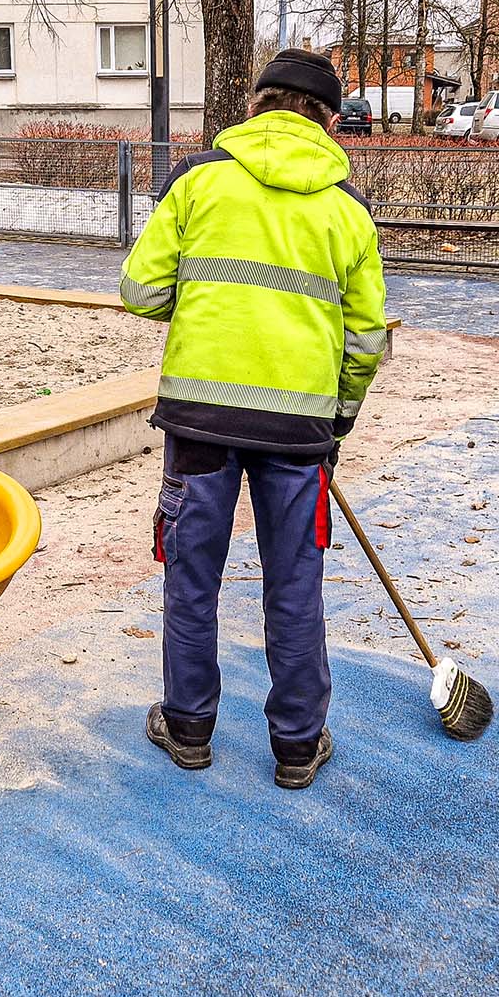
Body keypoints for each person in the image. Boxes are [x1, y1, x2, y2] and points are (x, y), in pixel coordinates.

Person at [119, 49, 387, 790]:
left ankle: (189, 727)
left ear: (255, 104)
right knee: (294, 582)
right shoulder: (347, 208)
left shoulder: (197, 181)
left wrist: (209, 301)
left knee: (191, 576)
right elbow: (365, 340)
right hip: (299, 433)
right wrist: (338, 421)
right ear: (330, 123)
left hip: (200, 423)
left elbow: (140, 291)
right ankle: (298, 744)